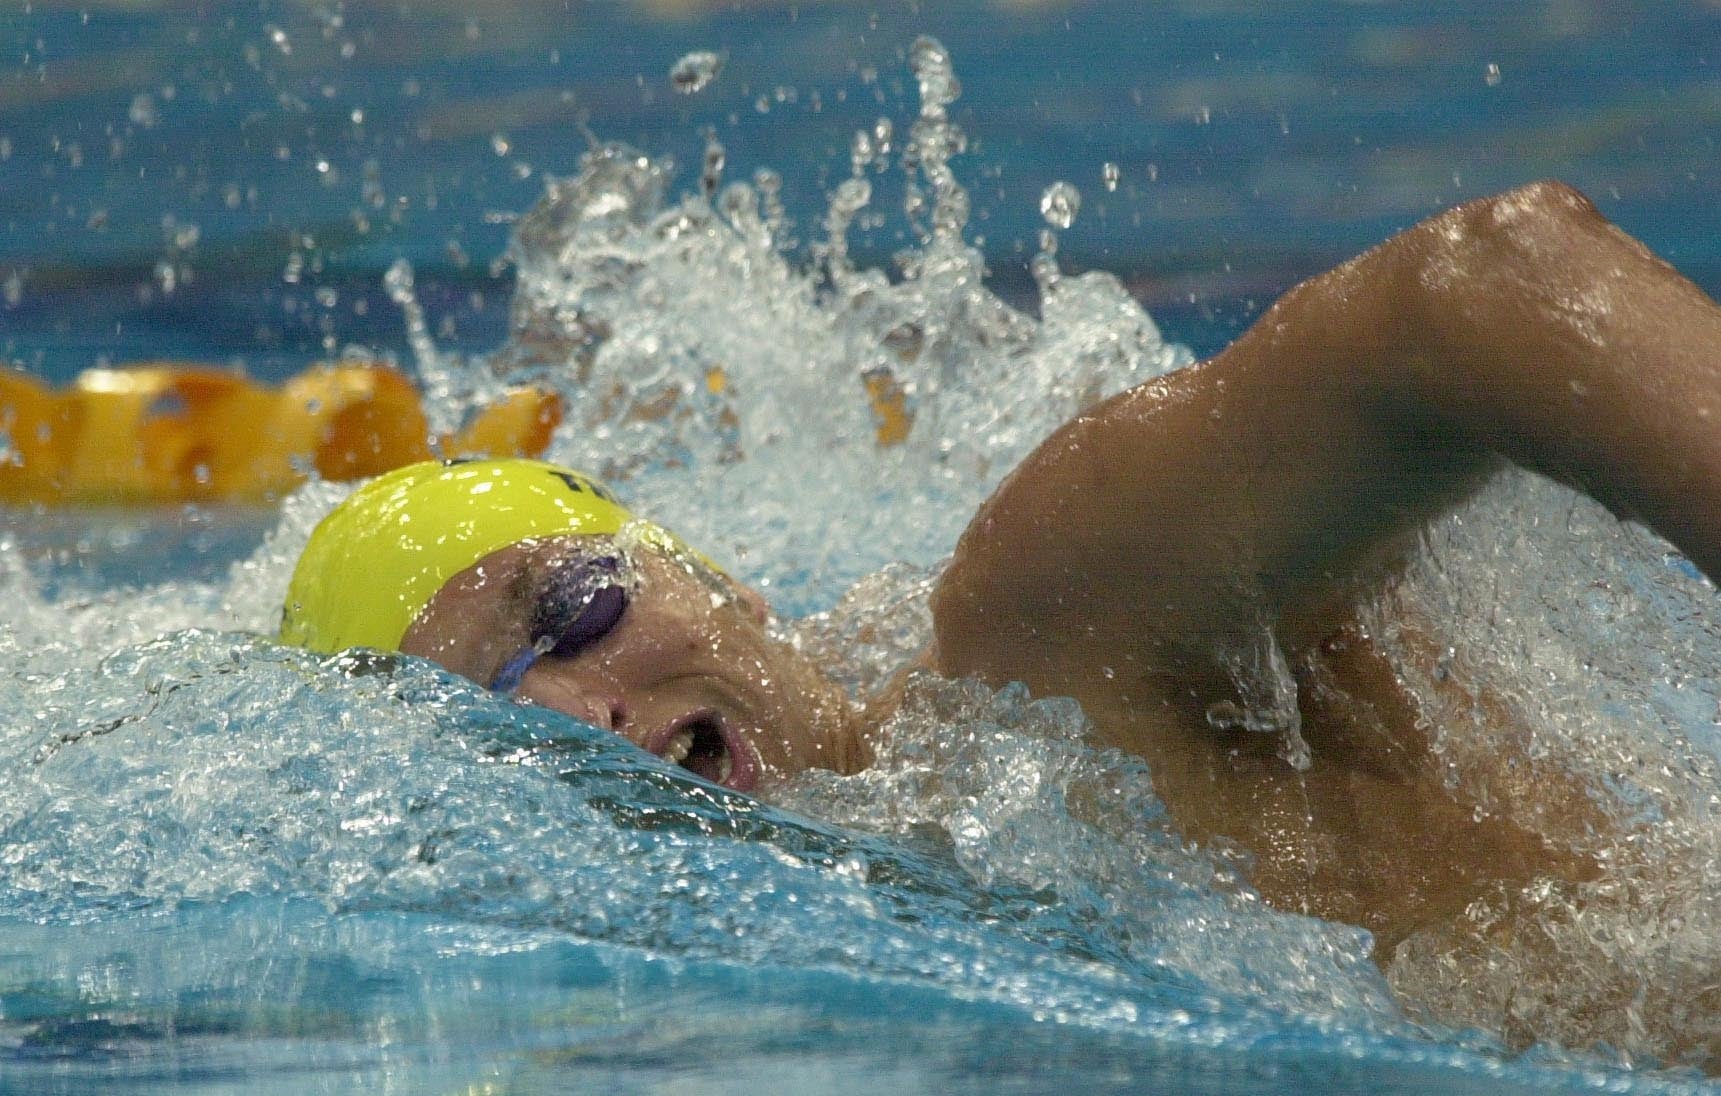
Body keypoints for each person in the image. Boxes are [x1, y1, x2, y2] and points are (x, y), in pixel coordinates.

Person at [281, 181, 1721, 964]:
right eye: (504, 719)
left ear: (719, 582)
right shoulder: (878, 900)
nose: (585, 716)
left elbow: (1482, 289)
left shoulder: (1038, 633)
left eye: (575, 611)